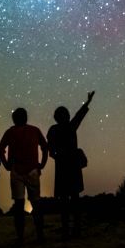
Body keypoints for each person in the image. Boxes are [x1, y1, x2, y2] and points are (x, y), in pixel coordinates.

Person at [47, 90, 94, 239]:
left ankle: (66, 229)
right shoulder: (71, 126)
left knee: (64, 201)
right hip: (73, 166)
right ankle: (77, 229)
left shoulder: (53, 130)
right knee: (75, 199)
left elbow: (51, 151)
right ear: (66, 116)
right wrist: (87, 102)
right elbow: (79, 115)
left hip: (61, 167)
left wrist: (58, 155)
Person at [0, 107, 48, 245]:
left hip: (17, 171)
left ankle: (21, 237)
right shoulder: (34, 130)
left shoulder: (10, 132)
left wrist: (6, 164)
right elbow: (45, 147)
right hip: (32, 170)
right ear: (26, 117)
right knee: (35, 203)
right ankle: (40, 235)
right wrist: (42, 164)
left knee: (19, 205)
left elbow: (0, 149)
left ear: (14, 119)